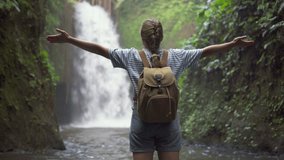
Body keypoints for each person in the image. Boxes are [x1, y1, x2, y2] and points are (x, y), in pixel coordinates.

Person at [47, 19, 254, 160]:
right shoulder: (177, 56)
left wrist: (69, 39)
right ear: (161, 37)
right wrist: (233, 44)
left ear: (142, 37)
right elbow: (206, 52)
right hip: (169, 120)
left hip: (141, 122)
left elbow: (100, 50)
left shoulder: (130, 56)